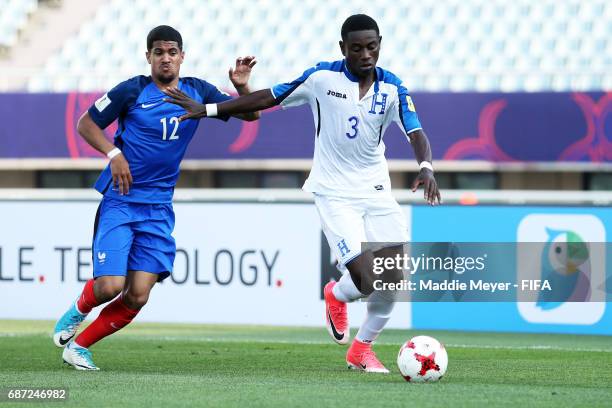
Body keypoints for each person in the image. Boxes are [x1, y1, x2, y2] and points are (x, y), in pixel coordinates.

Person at [164, 14, 441, 373]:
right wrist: (210, 109)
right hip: (334, 192)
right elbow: (267, 98)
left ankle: (361, 350)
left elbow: (416, 132)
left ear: (379, 45)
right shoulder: (321, 79)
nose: (365, 55)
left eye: (371, 47)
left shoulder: (393, 88)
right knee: (366, 279)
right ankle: (337, 294)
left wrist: (426, 167)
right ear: (343, 48)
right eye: (356, 48)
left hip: (376, 191)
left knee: (393, 279)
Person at [53, 25, 260, 370]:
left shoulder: (198, 90)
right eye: (159, 52)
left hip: (159, 206)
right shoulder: (132, 90)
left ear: (182, 57)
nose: (166, 58)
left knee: (137, 294)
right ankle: (78, 311)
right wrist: (113, 155)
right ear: (148, 56)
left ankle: (79, 347)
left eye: (172, 52)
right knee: (109, 286)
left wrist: (241, 87)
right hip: (121, 199)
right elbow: (85, 124)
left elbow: (249, 114)